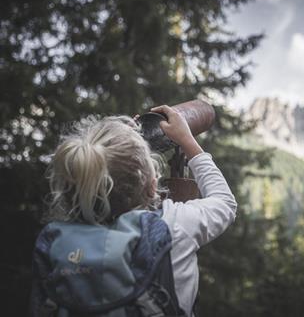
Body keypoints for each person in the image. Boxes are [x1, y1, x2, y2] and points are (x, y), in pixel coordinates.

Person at [35, 104, 237, 316]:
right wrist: (188, 141)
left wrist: (120, 144)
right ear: (152, 187)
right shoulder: (172, 227)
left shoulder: (57, 241)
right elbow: (225, 202)